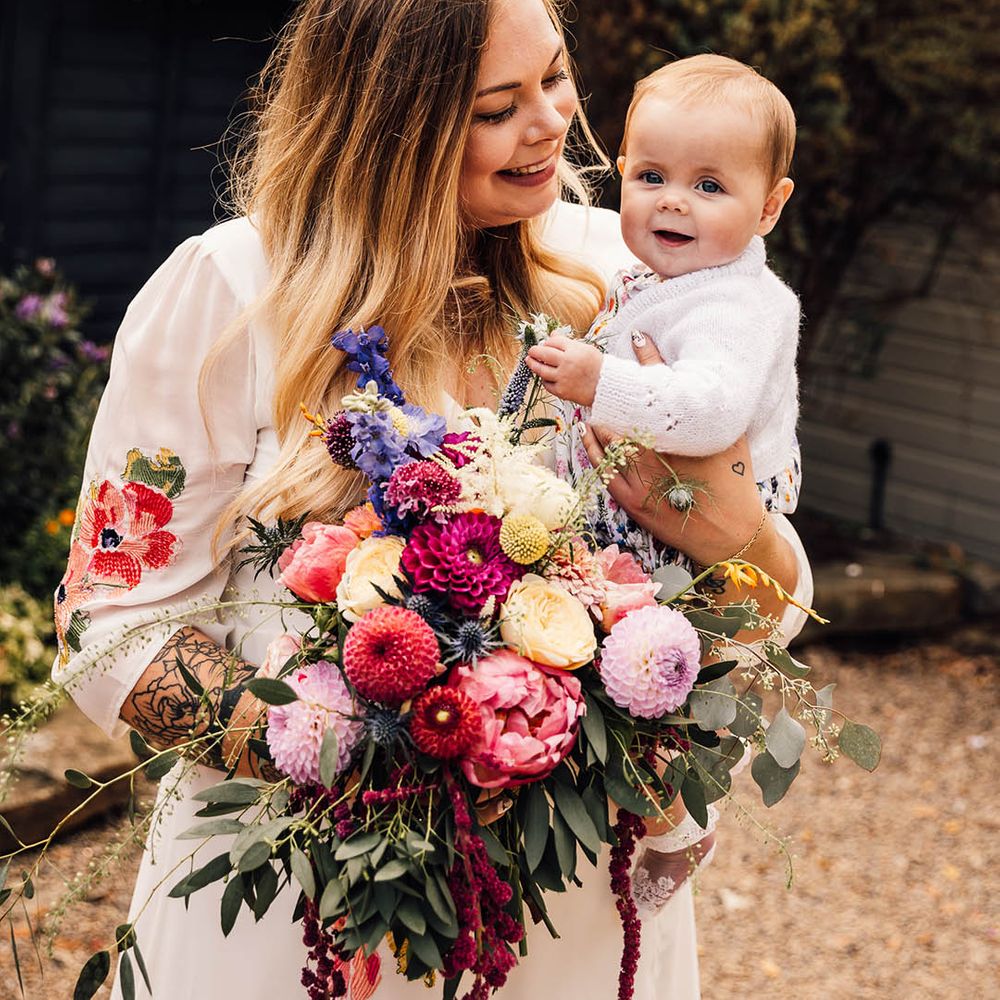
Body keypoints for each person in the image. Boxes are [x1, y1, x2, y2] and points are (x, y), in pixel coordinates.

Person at [51, 2, 812, 998]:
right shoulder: (225, 297)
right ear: (387, 126)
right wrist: (365, 753)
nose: (550, 122)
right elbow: (111, 616)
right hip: (296, 916)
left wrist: (740, 537)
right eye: (499, 106)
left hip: (569, 915)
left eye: (553, 78)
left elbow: (768, 605)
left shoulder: (632, 272)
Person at [527, 55, 803, 575]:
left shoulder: (736, 306)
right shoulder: (661, 276)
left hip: (685, 526)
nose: (673, 202)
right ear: (622, 170)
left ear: (769, 207)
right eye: (652, 176)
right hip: (643, 504)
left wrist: (598, 380)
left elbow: (710, 414)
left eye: (709, 186)